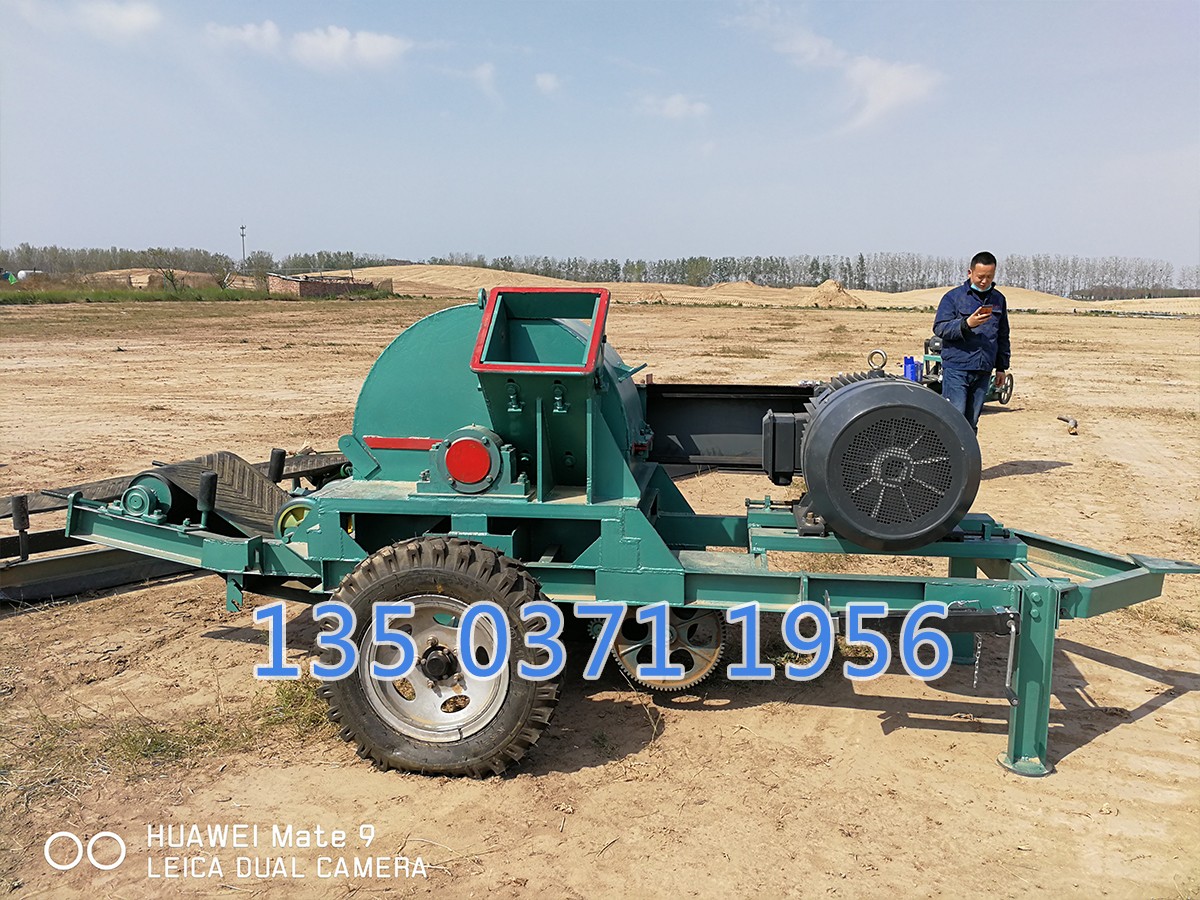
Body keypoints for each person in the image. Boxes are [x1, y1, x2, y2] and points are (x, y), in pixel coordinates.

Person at [933, 251, 1010, 432]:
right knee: (954, 420)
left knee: (971, 422)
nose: (984, 281)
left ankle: (968, 452)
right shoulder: (953, 298)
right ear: (970, 273)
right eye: (980, 276)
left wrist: (1001, 367)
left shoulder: (998, 299)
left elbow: (1002, 335)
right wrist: (966, 324)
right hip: (957, 368)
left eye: (989, 277)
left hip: (983, 370)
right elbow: (939, 328)